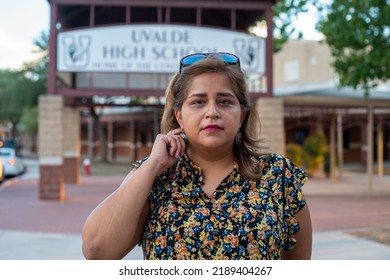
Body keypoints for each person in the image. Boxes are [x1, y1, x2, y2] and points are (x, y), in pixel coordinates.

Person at [82, 52, 312, 260]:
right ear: (179, 115)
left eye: (224, 101)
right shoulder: (154, 176)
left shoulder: (277, 175)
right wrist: (154, 165)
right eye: (198, 102)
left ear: (241, 115)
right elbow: (96, 251)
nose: (212, 112)